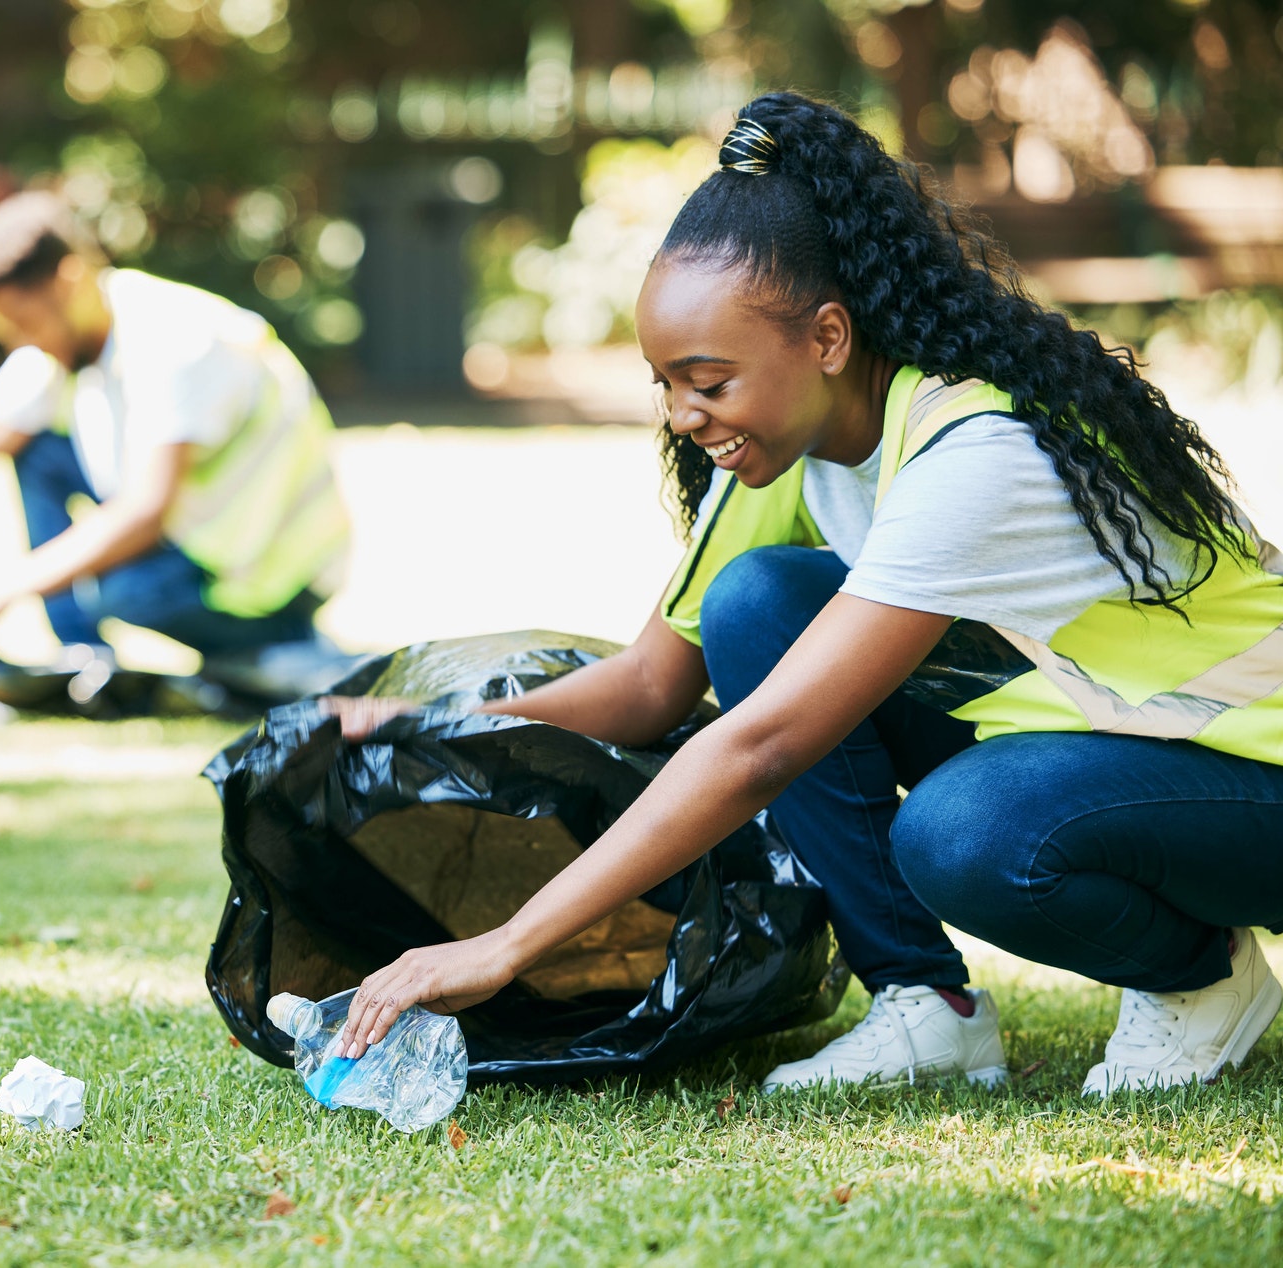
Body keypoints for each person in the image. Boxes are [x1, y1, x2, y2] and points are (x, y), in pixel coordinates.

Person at [325, 93, 1283, 1098]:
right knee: (756, 603)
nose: (682, 414)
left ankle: (1196, 974)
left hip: (1251, 773)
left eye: (707, 380)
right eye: (664, 383)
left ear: (826, 336)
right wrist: (434, 722)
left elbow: (760, 744)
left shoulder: (976, 450)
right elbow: (651, 684)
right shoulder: (787, 450)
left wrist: (505, 944)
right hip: (1129, 753)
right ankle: (925, 1005)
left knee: (962, 830)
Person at [0, 191, 353, 705]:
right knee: (33, 447)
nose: (19, 342)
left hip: (271, 580)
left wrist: (6, 590)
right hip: (202, 548)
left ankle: (276, 656)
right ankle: (85, 655)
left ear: (70, 279)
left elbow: (144, 513)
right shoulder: (61, 348)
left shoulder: (175, 337)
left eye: (22, 322)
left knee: (122, 591)